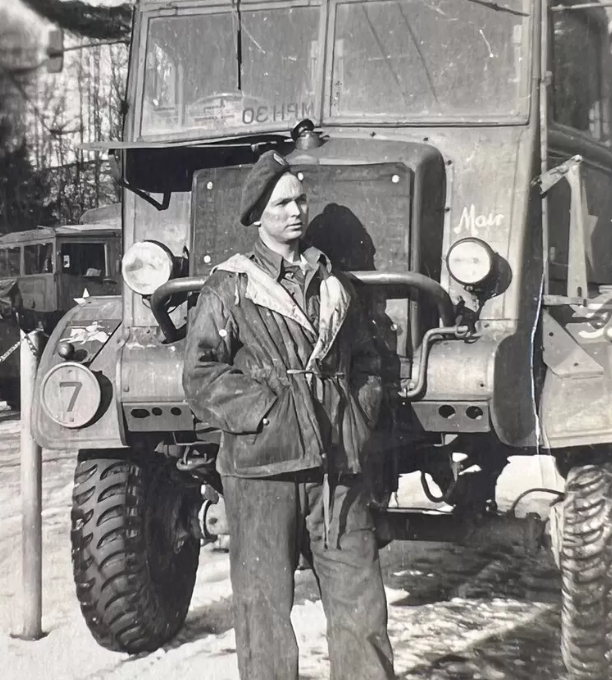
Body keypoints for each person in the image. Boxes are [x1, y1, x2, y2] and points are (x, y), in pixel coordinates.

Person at [183, 150, 395, 680]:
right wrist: (272, 413)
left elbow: (367, 360)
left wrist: (357, 416)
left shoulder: (333, 284)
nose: (296, 211)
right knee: (264, 617)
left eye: (301, 199)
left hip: (336, 472)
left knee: (361, 608)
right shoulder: (229, 287)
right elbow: (201, 374)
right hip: (262, 474)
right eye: (281, 203)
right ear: (258, 215)